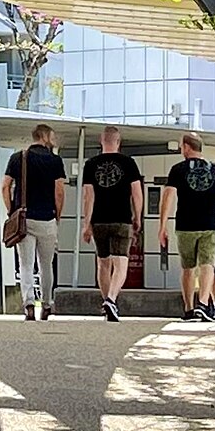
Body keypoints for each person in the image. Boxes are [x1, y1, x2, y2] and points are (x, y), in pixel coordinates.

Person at [155, 132, 215, 323]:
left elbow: (168, 197)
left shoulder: (178, 170)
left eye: (182, 146)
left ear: (187, 147)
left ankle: (189, 309)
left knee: (188, 267)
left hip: (185, 225)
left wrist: (162, 225)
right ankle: (204, 305)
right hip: (210, 225)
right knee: (207, 265)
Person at [79, 124, 146, 323]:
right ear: (118, 142)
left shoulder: (91, 164)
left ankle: (108, 303)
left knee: (103, 263)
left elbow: (88, 197)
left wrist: (87, 223)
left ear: (101, 141)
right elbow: (137, 193)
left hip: (99, 220)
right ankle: (111, 299)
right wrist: (138, 216)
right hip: (121, 219)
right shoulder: (128, 163)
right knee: (120, 263)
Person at [2, 123, 66, 321]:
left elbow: (5, 186)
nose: (54, 140)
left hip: (24, 218)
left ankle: (29, 303)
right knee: (46, 264)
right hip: (47, 218)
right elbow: (59, 191)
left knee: (26, 264)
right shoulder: (55, 161)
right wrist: (58, 215)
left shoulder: (18, 158)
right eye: (52, 136)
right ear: (45, 136)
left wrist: (11, 210)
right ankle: (47, 304)